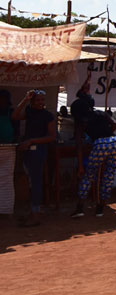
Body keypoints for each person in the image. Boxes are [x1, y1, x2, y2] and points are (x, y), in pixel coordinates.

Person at [12, 90, 56, 226]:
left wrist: (31, 141)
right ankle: (33, 211)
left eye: (42, 100)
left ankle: (36, 214)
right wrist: (25, 99)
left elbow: (51, 137)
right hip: (28, 152)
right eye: (38, 100)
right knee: (31, 182)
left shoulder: (48, 116)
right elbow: (15, 116)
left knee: (36, 182)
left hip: (38, 151)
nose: (41, 103)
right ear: (32, 101)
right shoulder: (30, 112)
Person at [71, 110, 116, 218]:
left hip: (99, 144)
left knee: (88, 177)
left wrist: (80, 166)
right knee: (109, 176)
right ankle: (100, 209)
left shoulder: (80, 122)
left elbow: (79, 146)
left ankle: (80, 208)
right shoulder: (100, 113)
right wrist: (106, 135)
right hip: (114, 142)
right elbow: (115, 124)